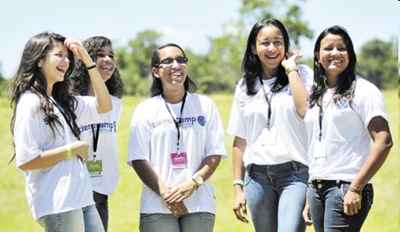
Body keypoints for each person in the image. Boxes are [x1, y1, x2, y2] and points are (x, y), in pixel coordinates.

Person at [10, 32, 112, 232]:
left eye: (68, 57)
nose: (66, 62)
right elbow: (26, 160)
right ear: (39, 60)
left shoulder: (62, 101)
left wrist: (87, 60)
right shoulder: (30, 101)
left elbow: (105, 105)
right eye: (59, 55)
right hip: (58, 203)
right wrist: (71, 150)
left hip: (82, 198)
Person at [127, 43, 226, 232]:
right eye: (168, 61)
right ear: (156, 71)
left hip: (199, 203)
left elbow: (215, 153)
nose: (176, 65)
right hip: (156, 206)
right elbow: (138, 158)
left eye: (181, 60)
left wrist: (192, 184)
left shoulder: (206, 105)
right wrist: (167, 194)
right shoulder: (145, 109)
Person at [302, 25, 393, 232]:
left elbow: (384, 141)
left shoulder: (364, 91)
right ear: (317, 56)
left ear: (350, 54)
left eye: (341, 48)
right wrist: (312, 191)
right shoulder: (318, 94)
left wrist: (356, 187)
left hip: (345, 187)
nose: (335, 53)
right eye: (328, 48)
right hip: (317, 186)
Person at [227, 18, 313, 232]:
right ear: (254, 48)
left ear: (286, 45)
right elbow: (240, 140)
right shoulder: (245, 84)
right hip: (257, 178)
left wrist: (291, 69)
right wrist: (238, 186)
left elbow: (305, 111)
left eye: (278, 42)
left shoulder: (302, 74)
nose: (272, 48)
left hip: (295, 174)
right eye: (265, 43)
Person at [71, 36, 124, 231]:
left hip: (102, 188)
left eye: (111, 55)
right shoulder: (71, 102)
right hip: (75, 187)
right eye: (100, 55)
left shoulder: (116, 104)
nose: (108, 60)